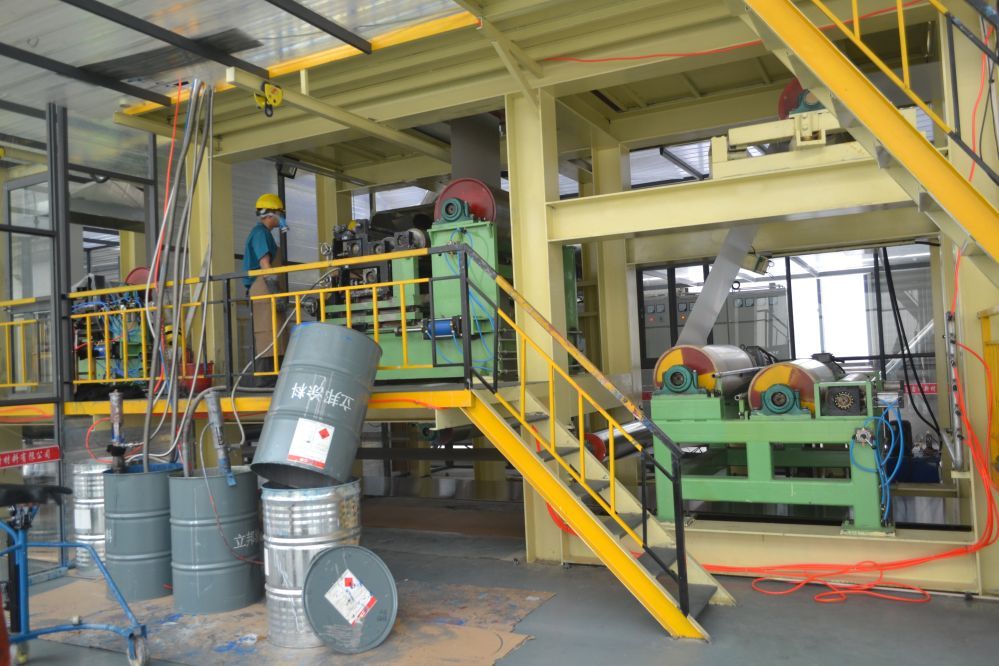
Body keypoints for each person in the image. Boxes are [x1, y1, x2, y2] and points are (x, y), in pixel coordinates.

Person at [244, 193, 289, 384]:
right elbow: (265, 265)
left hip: (266, 288)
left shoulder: (265, 234)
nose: (282, 217)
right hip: (262, 289)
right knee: (267, 336)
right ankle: (265, 382)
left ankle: (276, 381)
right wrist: (275, 293)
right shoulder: (260, 233)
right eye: (280, 213)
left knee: (276, 334)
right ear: (270, 214)